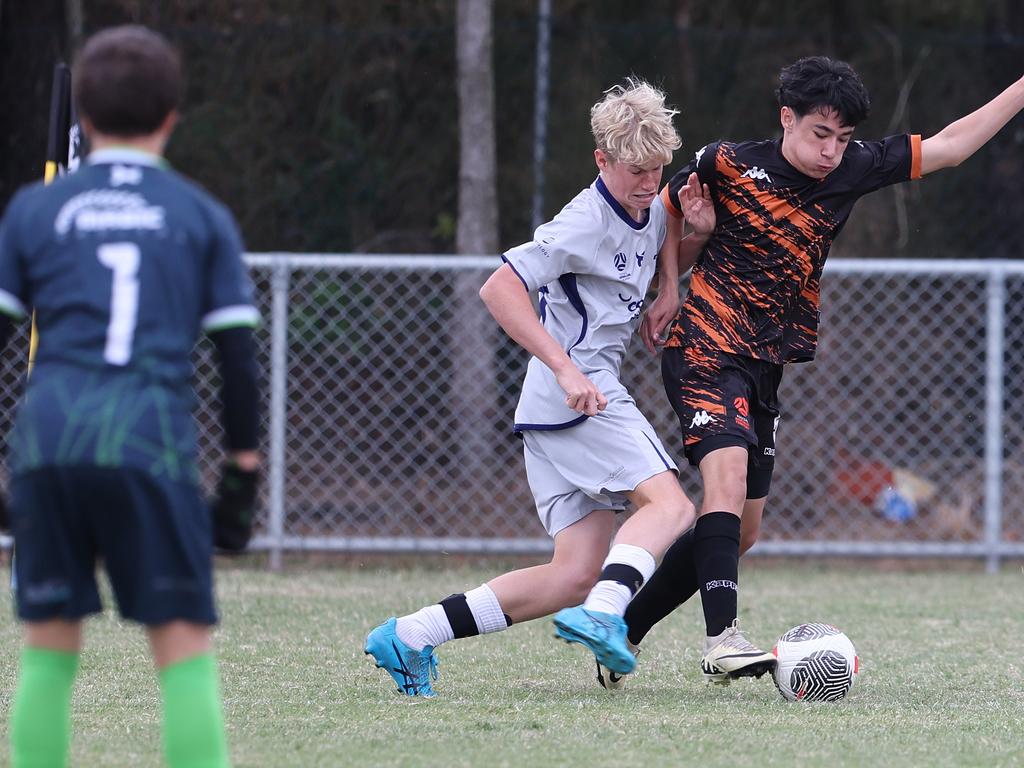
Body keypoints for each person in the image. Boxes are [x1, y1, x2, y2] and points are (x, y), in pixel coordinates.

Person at [596, 55, 1024, 689]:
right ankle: (723, 640)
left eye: (843, 138)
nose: (832, 151)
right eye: (820, 134)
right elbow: (668, 210)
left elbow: (951, 146)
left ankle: (622, 631)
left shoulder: (851, 171)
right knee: (726, 482)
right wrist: (668, 287)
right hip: (705, 347)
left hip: (767, 364)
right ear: (786, 118)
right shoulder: (727, 162)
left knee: (742, 533)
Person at [364, 78, 696, 697]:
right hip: (578, 395)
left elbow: (664, 226)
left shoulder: (649, 203)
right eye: (636, 172)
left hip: (550, 410)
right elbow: (498, 289)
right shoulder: (583, 222)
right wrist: (566, 367)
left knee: (570, 575)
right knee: (673, 508)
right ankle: (605, 613)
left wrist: (671, 284)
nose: (650, 184)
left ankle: (409, 635)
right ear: (602, 160)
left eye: (658, 169)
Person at [0, 26, 261, 767]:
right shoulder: (199, 213)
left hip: (48, 442)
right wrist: (241, 471)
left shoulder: (34, 209)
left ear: (81, 117)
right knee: (181, 647)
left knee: (49, 649)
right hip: (148, 441)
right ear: (172, 114)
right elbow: (237, 361)